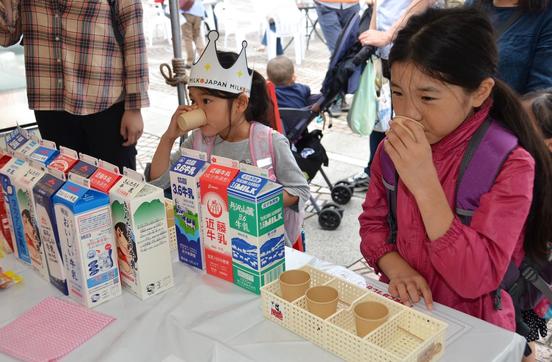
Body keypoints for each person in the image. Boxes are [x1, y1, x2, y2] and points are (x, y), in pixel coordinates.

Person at [358, 7, 552, 361]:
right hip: (404, 317)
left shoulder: (510, 164)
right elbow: (372, 225)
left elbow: (476, 279)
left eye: (428, 97)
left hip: (472, 328)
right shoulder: (391, 148)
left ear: (479, 92)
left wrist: (425, 184)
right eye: (398, 92)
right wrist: (394, 265)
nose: (408, 114)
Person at [147, 31, 310, 246]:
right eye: (193, 100)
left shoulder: (269, 142)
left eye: (206, 100)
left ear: (241, 104)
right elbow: (159, 182)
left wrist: (252, 199)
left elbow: (299, 190)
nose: (197, 109)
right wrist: (168, 138)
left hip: (262, 249)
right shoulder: (198, 142)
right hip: (212, 243)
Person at [0, 0, 149, 171]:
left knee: (117, 185)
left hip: (105, 100)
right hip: (50, 101)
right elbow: (6, 36)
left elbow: (134, 37)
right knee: (64, 185)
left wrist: (134, 107)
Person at [351, 0, 434, 185]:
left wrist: (389, 35)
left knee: (411, 120)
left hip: (411, 53)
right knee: (381, 117)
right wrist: (373, 34)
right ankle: (375, 172)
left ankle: (407, 176)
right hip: (382, 55)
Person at [467, 0, 552, 95]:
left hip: (509, 107)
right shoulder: (473, 5)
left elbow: (539, 92)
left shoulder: (546, 14)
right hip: (465, 104)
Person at [181, 0, 206, 68]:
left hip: (185, 13)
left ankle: (190, 61)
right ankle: (204, 59)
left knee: (187, 38)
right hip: (198, 11)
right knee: (198, 37)